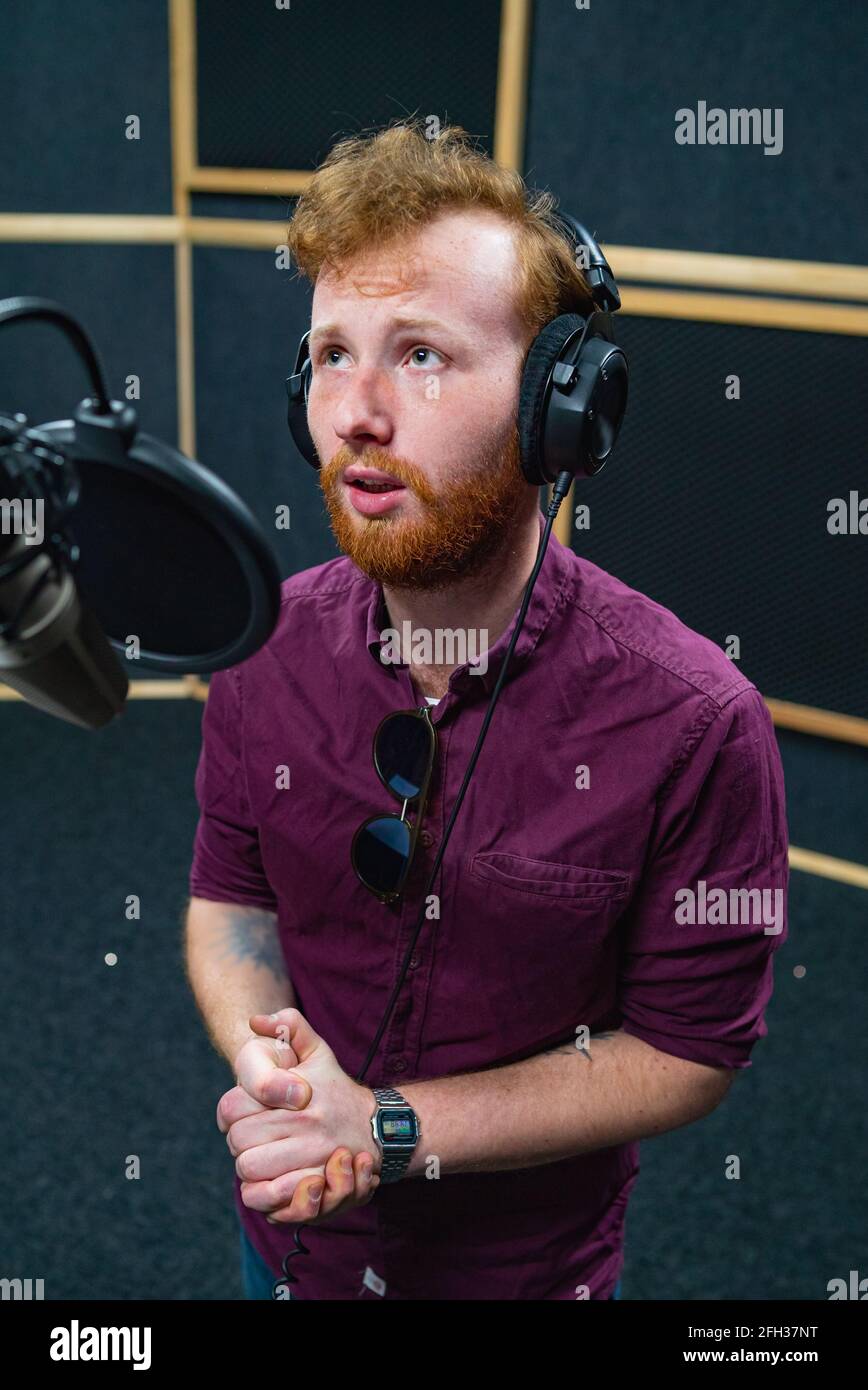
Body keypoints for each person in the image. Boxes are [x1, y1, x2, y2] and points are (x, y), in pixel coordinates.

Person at [184, 121, 789, 1301]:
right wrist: (281, 1080)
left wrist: (388, 1126)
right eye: (330, 353)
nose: (354, 411)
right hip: (286, 1252)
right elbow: (231, 908)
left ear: (559, 409)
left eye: (420, 356)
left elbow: (686, 1052)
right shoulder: (261, 648)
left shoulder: (699, 721)